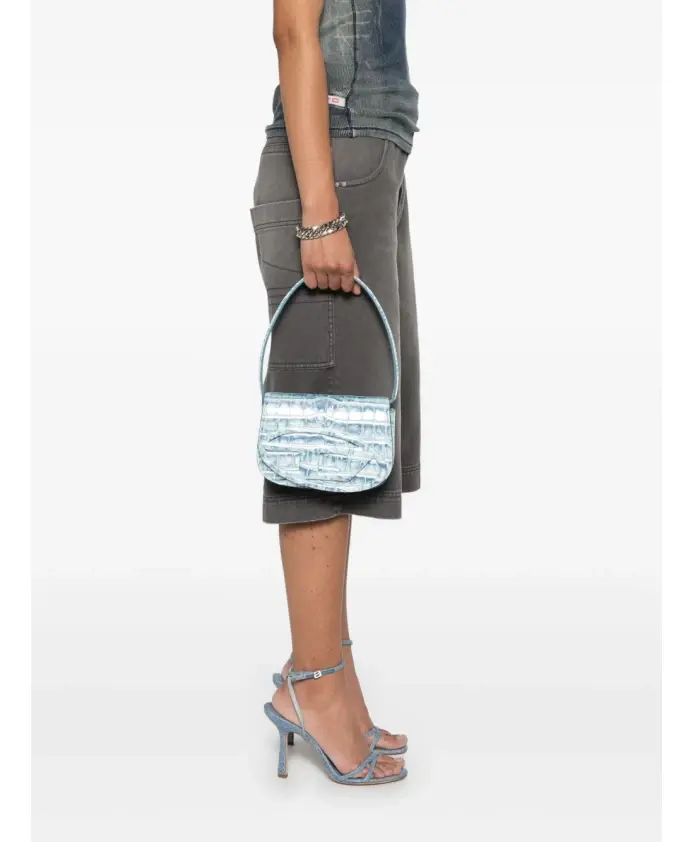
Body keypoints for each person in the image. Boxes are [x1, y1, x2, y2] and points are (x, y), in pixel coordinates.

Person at [251, 0, 420, 785]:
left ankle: (329, 675)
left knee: (349, 436)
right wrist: (320, 215)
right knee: (320, 438)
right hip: (332, 168)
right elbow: (294, 30)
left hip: (361, 159)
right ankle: (312, 688)